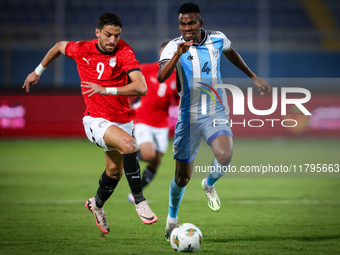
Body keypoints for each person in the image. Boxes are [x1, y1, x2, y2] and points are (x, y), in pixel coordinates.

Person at [23, 12, 158, 235]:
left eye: (116, 36)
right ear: (97, 33)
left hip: (122, 120)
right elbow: (58, 46)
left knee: (114, 172)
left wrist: (107, 89)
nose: (112, 41)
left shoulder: (125, 51)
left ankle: (96, 204)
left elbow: (141, 86)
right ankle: (140, 201)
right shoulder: (82, 48)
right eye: (108, 35)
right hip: (95, 120)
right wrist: (37, 72)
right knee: (130, 146)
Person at [157, 3, 271, 240]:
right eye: (182, 23)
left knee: (225, 155)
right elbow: (161, 77)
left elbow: (231, 53)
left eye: (191, 22)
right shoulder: (172, 47)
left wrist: (253, 76)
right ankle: (172, 219)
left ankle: (209, 184)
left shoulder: (218, 39)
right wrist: (177, 54)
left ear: (200, 22)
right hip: (188, 117)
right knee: (182, 178)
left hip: (215, 111)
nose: (186, 27)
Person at [127, 40, 178, 203]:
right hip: (142, 118)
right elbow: (128, 84)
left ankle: (137, 193)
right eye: (165, 53)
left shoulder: (178, 77)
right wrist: (127, 103)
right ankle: (127, 153)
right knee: (149, 155)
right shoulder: (146, 69)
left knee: (156, 161)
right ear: (160, 54)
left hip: (161, 123)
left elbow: (177, 100)